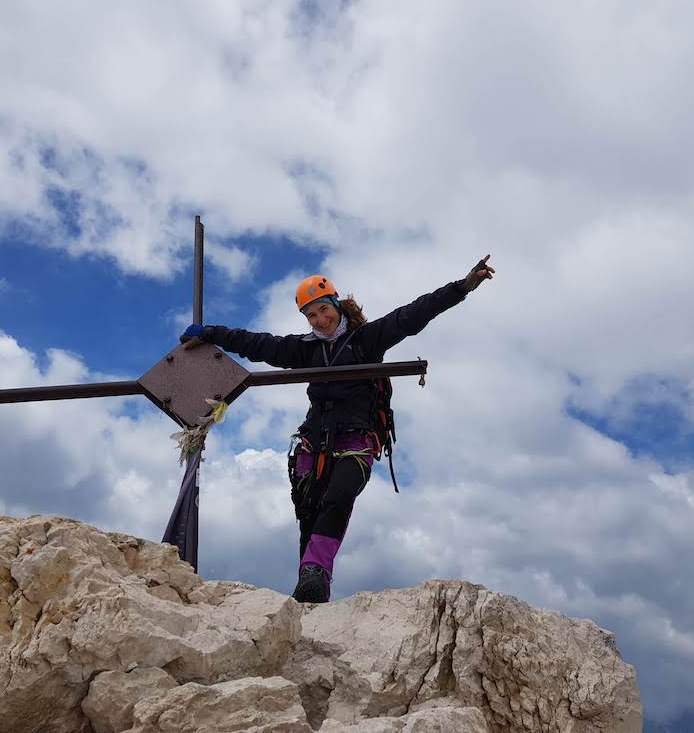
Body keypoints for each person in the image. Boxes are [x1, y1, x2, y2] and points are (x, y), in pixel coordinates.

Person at [180, 255, 496, 603]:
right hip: (313, 441)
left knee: (338, 497)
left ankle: (316, 572)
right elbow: (256, 343)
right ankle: (309, 583)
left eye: (323, 310)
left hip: (356, 440)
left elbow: (415, 313)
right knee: (309, 511)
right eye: (310, 315)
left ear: (336, 303)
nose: (319, 320)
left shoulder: (367, 339)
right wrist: (210, 333)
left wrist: (463, 286)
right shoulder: (302, 349)